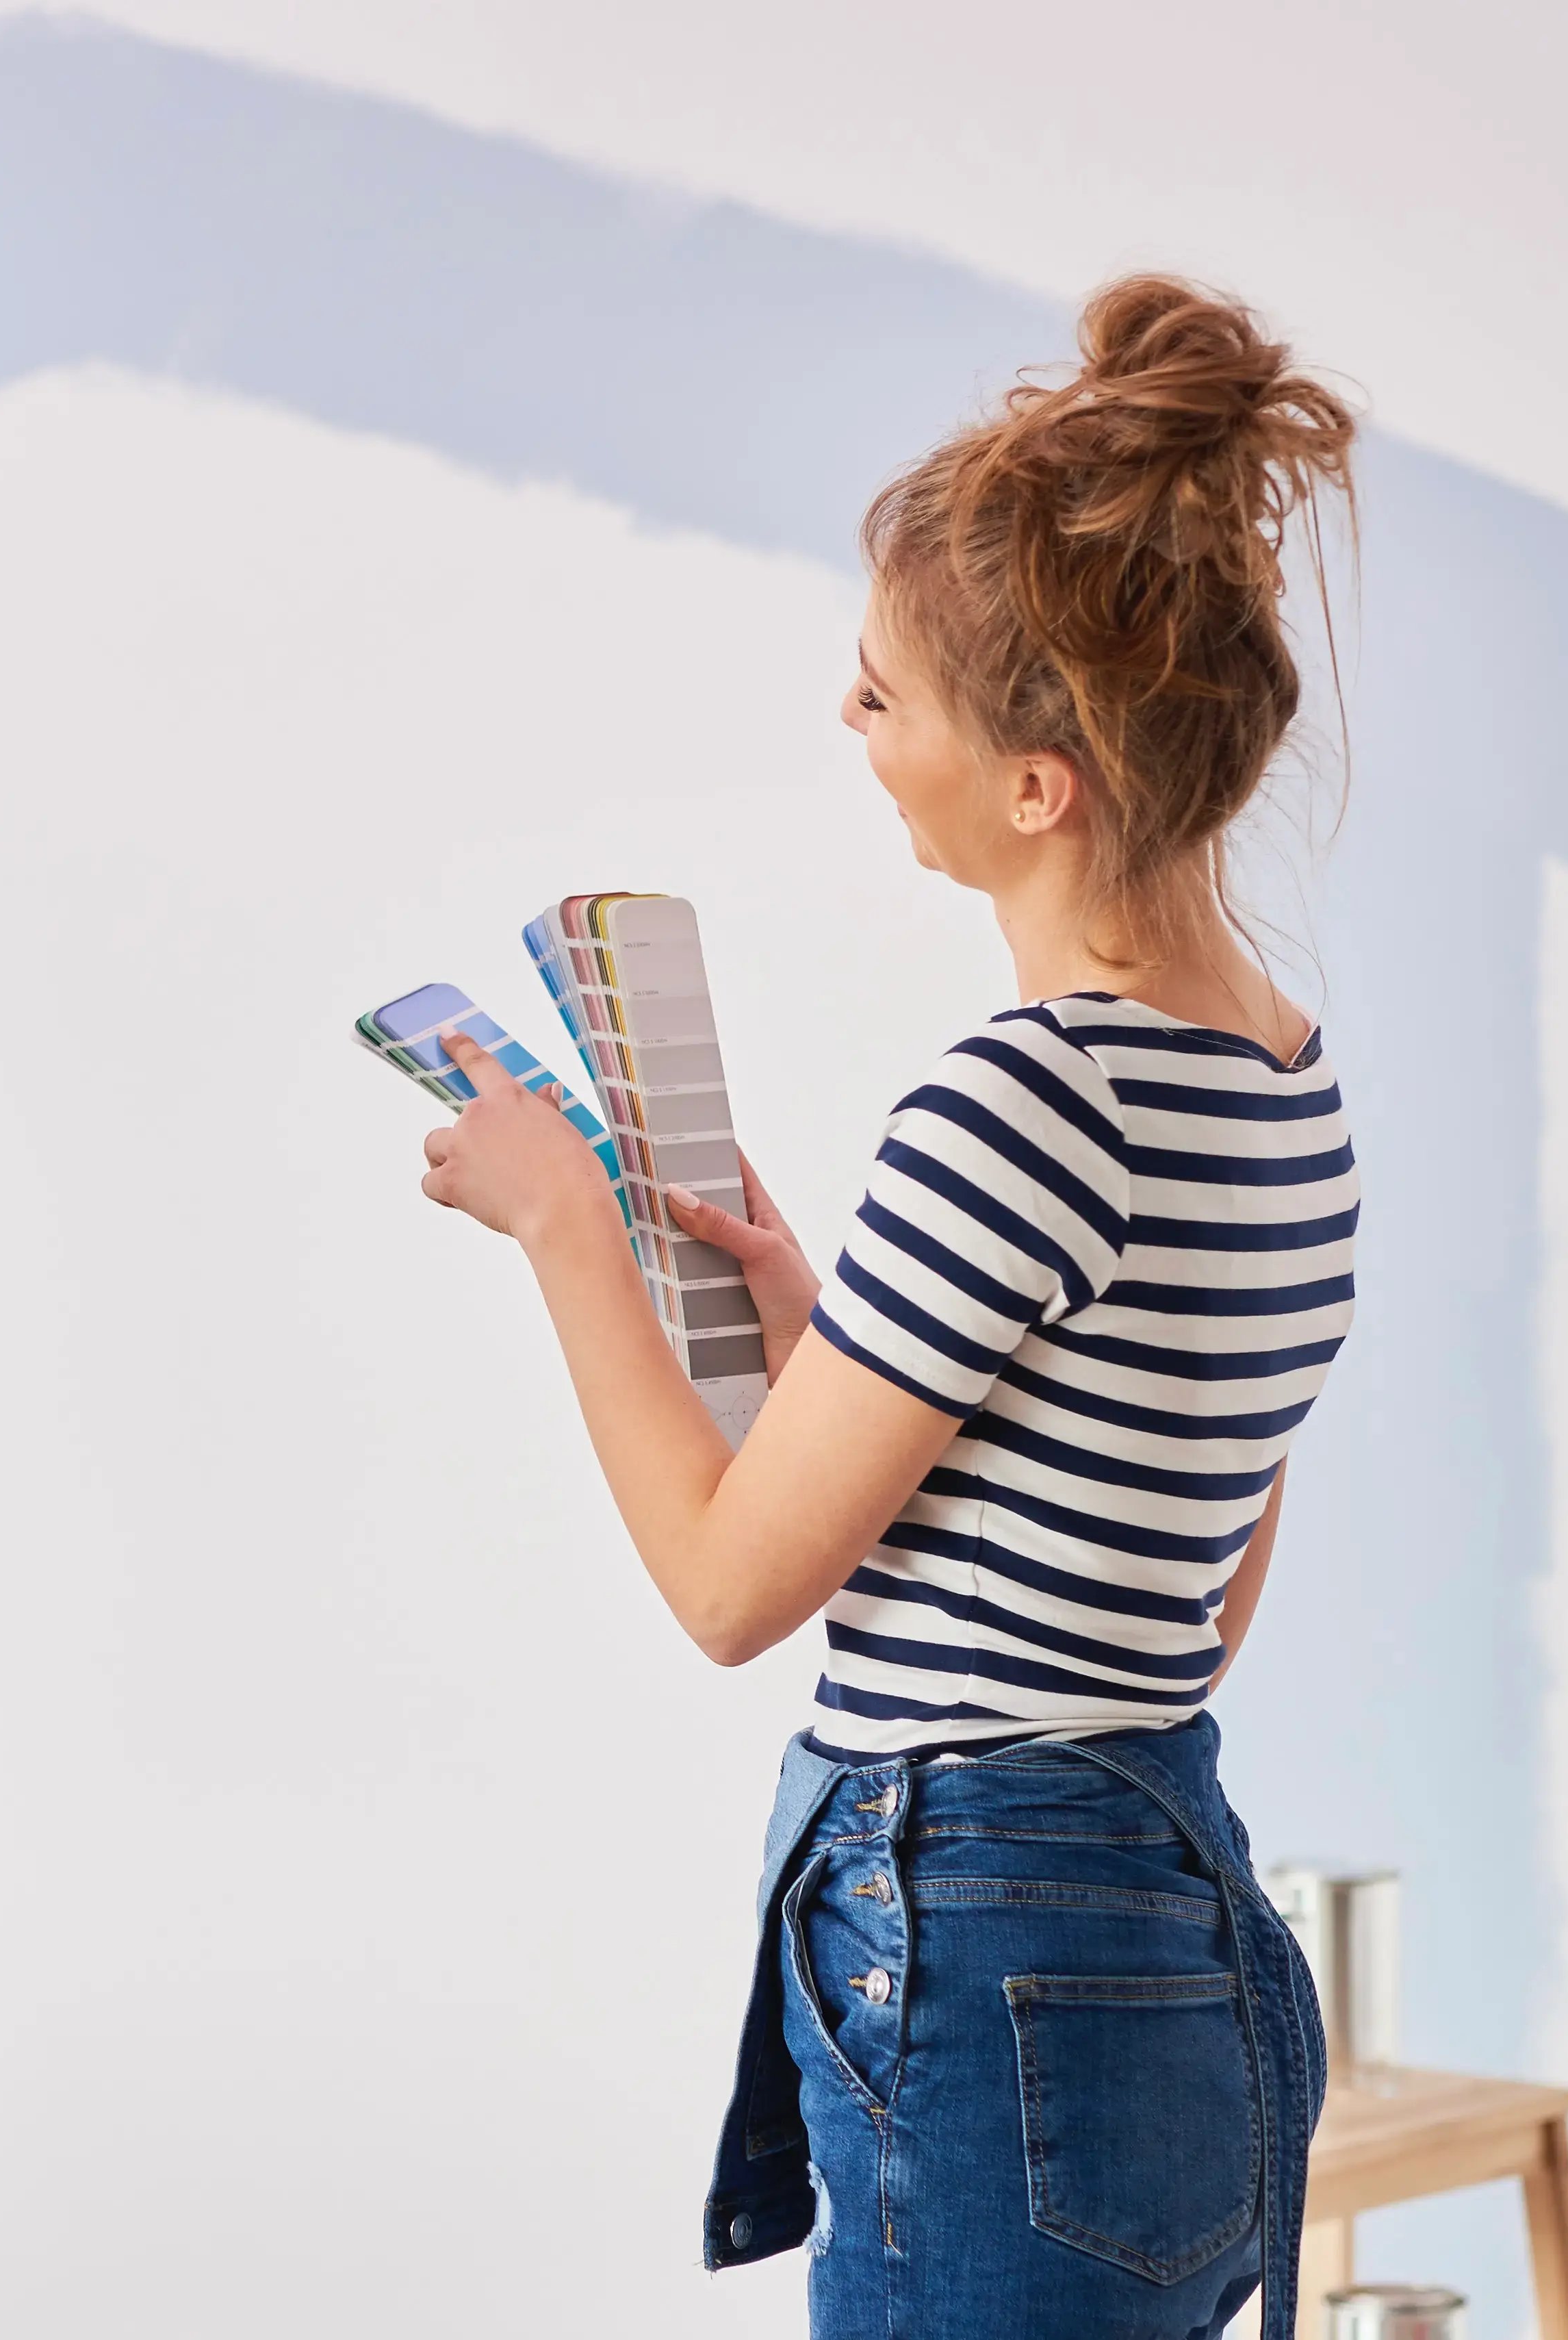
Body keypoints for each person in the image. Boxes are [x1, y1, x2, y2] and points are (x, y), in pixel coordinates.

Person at [414, 275, 1360, 2339]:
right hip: (1174, 1919)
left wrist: (571, 1230)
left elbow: (731, 1587)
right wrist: (840, 1328)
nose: (855, 734)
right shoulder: (1290, 1083)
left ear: (1041, 781)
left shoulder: (1024, 1100)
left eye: (884, 697)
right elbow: (1179, 1592)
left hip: (991, 1945)